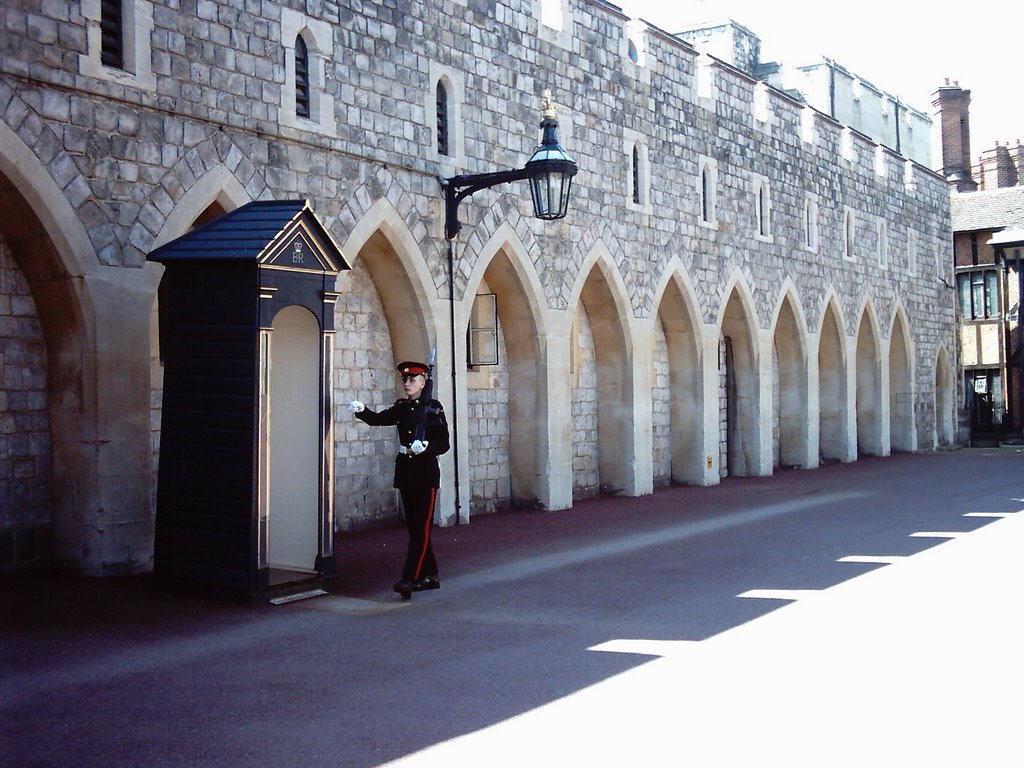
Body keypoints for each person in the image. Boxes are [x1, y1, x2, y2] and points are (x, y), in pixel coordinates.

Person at [348, 361, 450, 599]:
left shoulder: (433, 408)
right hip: (406, 471)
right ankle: (431, 575)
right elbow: (378, 419)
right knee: (416, 527)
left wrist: (426, 447)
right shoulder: (402, 407)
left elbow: (443, 443)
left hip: (425, 473)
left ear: (423, 382)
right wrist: (361, 410)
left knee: (421, 528)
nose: (407, 384)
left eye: (412, 380)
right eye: (405, 380)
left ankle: (410, 578)